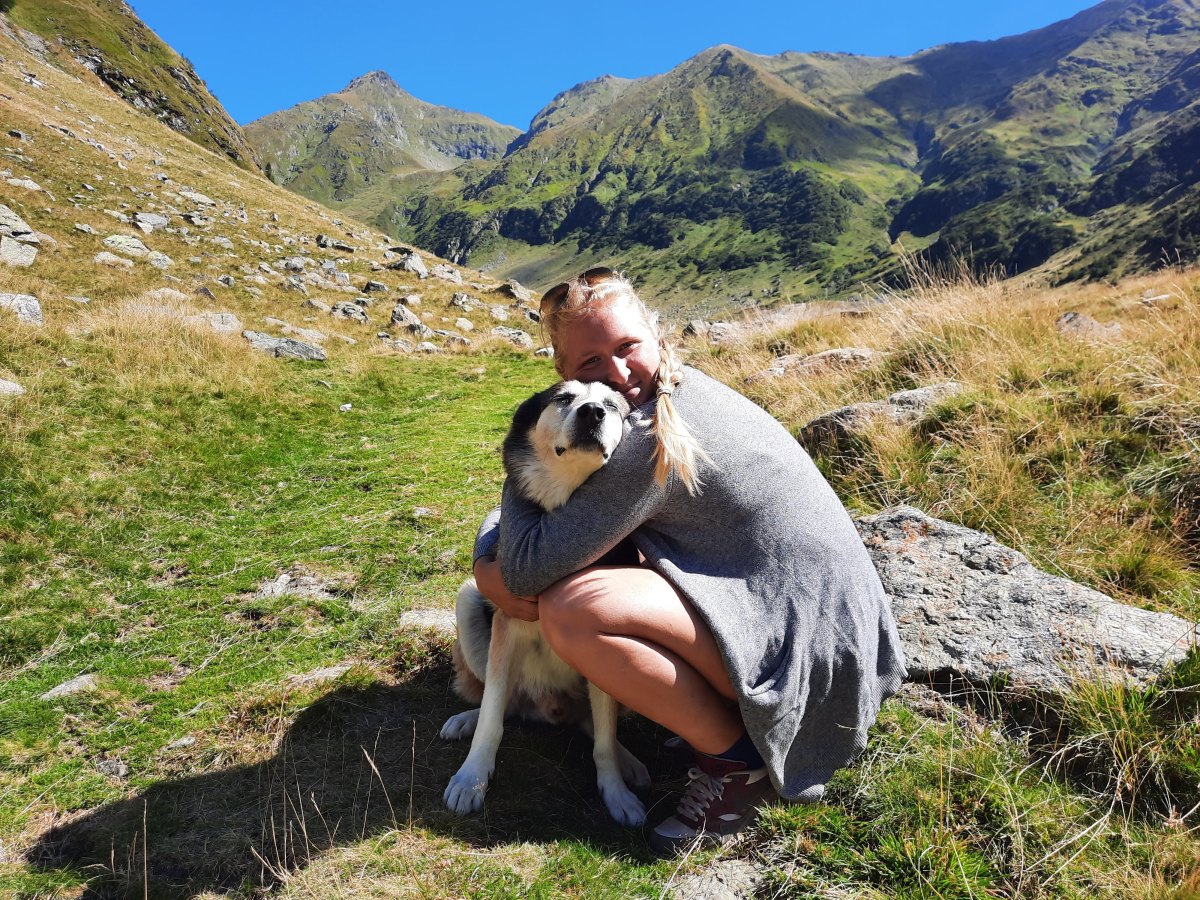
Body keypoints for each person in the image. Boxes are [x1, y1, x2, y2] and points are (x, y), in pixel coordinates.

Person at [471, 267, 907, 853]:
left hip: (813, 661)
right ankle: (707, 714)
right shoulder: (681, 389)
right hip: (843, 634)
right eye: (590, 364)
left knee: (574, 608)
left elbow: (523, 572)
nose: (618, 374)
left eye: (627, 348)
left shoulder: (645, 438)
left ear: (656, 338)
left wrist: (485, 556)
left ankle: (740, 766)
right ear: (563, 375)